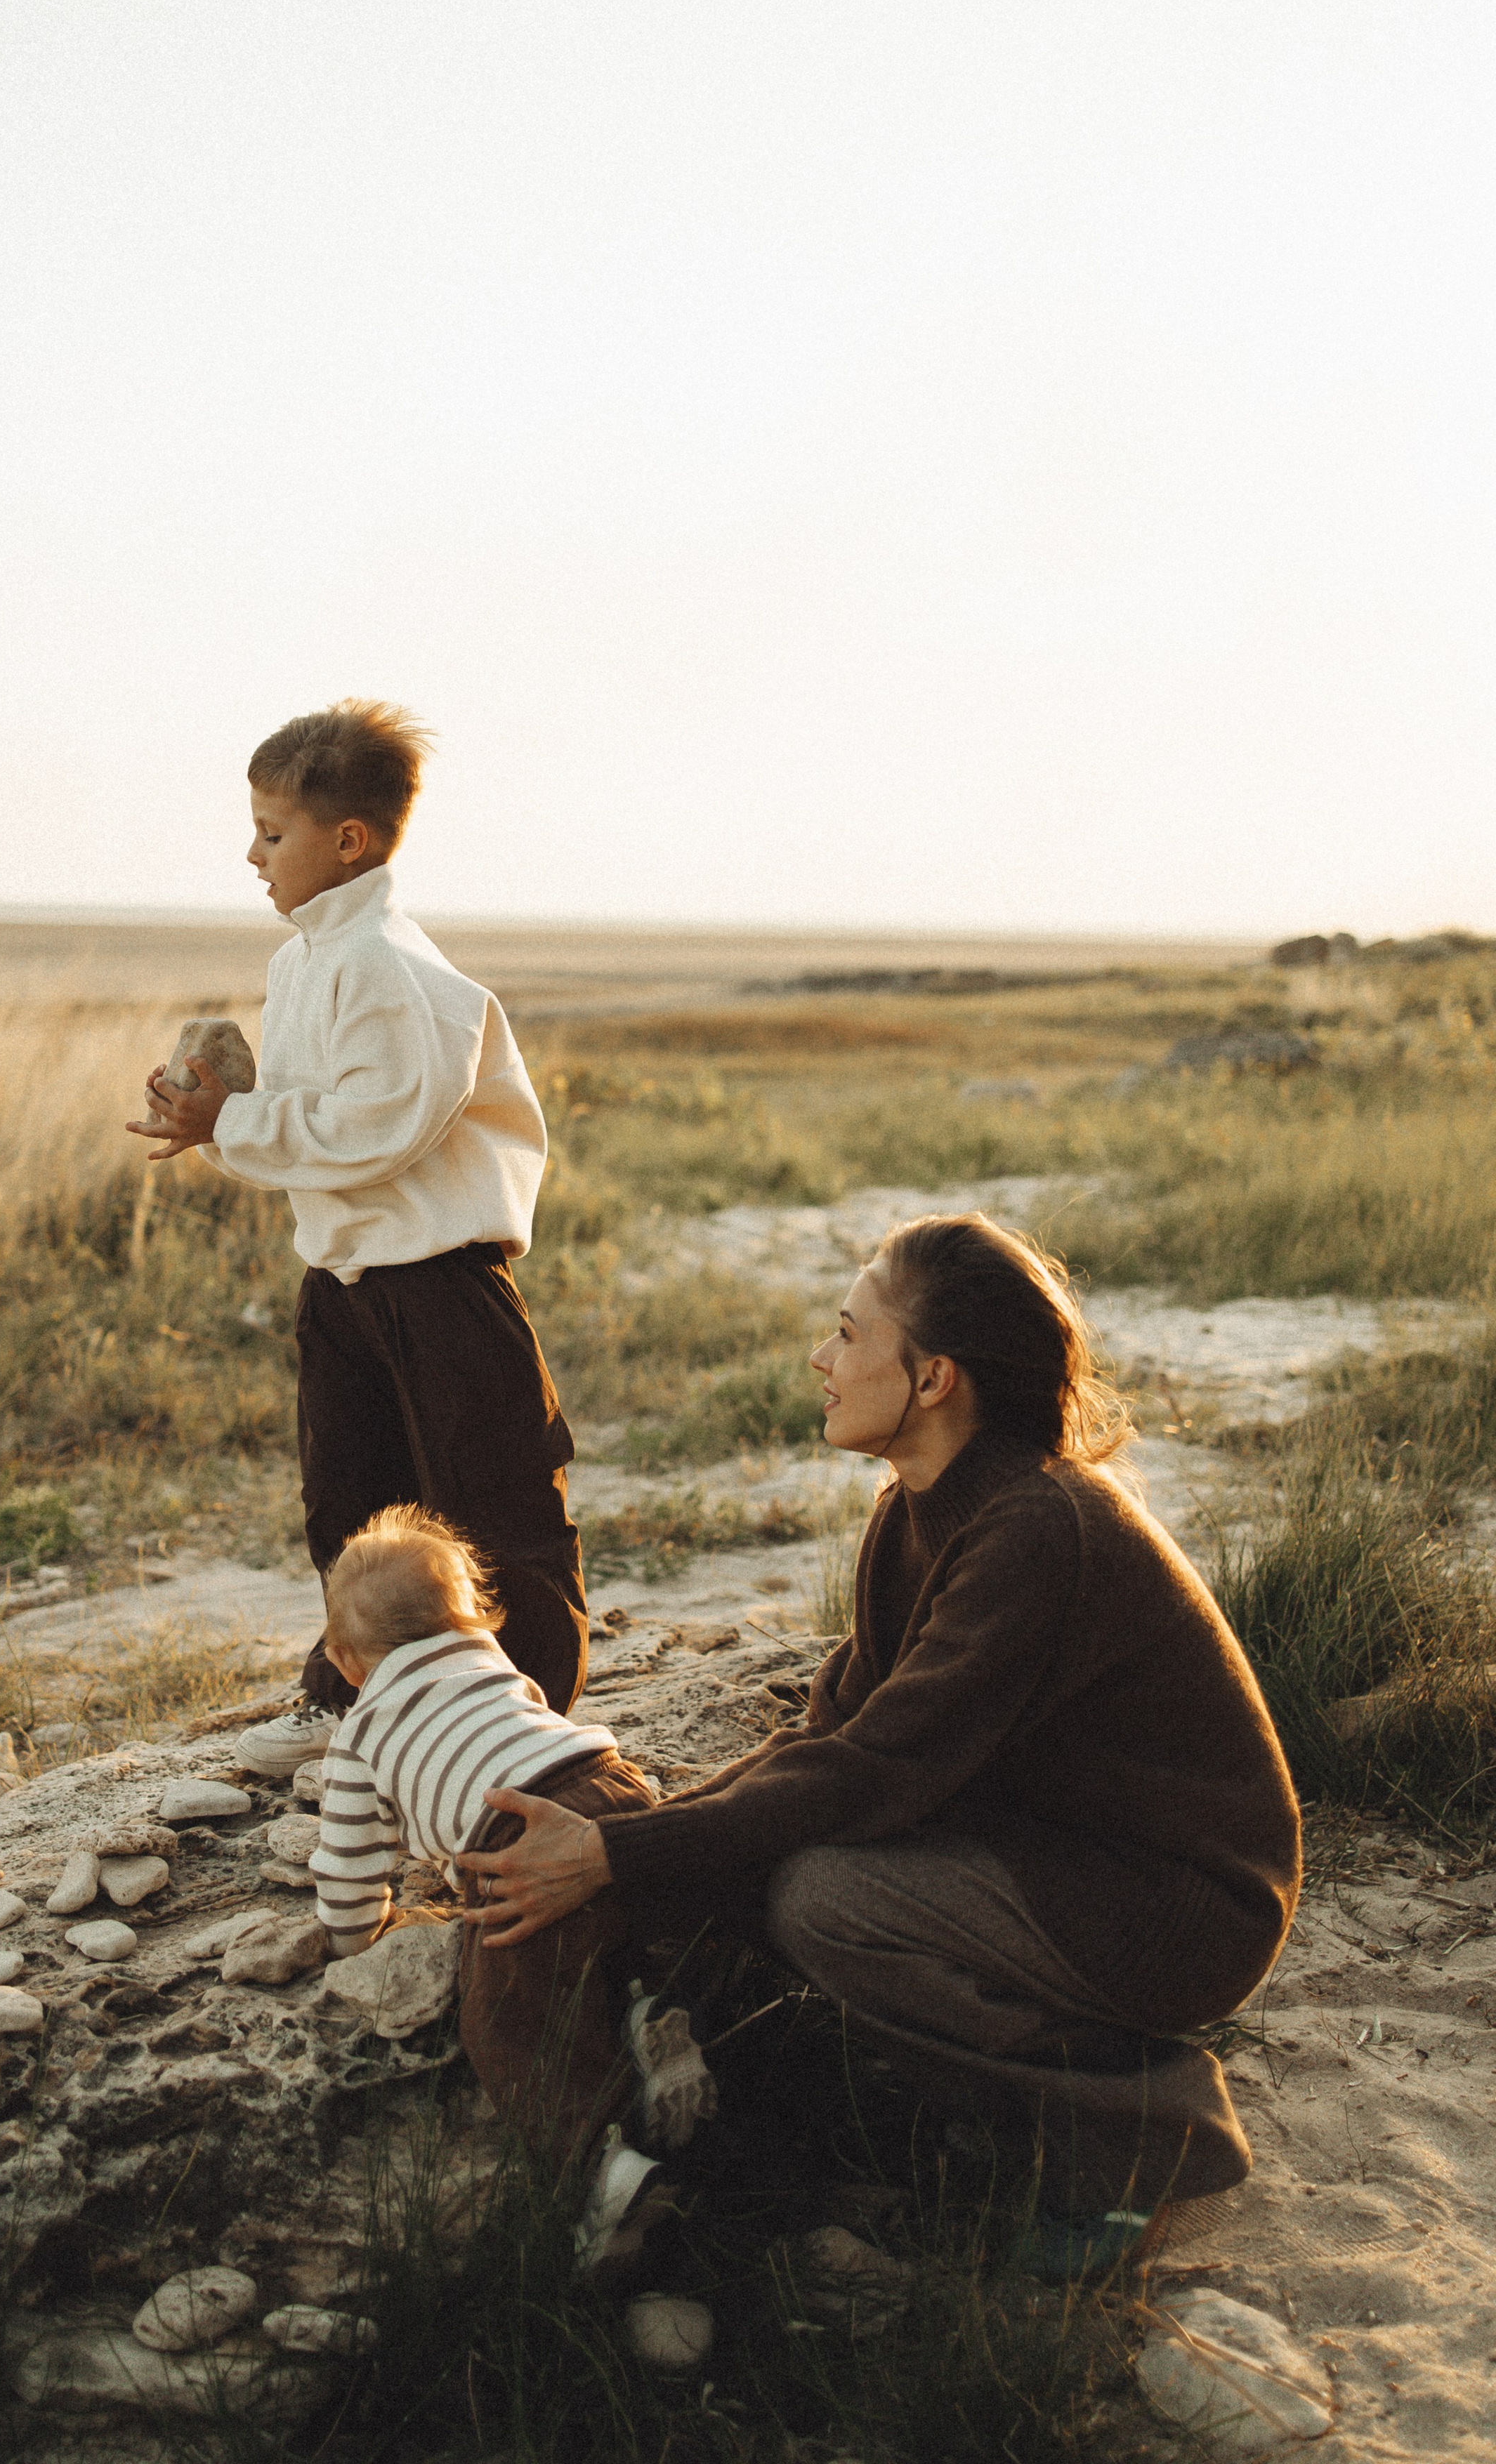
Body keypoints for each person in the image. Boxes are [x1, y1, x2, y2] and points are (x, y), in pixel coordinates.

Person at [457, 1214, 1303, 2276]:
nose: (822, 1358)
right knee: (765, 1873)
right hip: (1055, 1850)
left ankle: (1138, 2124)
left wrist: (621, 1855)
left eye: (849, 1334)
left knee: (823, 1902)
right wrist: (636, 1833)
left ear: (935, 1377)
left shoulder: (1038, 1532)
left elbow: (873, 1772)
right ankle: (1002, 2103)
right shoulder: (918, 1512)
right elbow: (831, 1736)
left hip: (1179, 1908)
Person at [126, 700, 587, 1760]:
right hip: (343, 1286)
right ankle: (364, 1701)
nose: (252, 854)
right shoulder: (303, 964)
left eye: (272, 832)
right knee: (352, 1507)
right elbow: (312, 1133)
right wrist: (216, 1121)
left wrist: (234, 1122)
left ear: (350, 840)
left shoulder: (395, 969)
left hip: (440, 1285)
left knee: (493, 1509)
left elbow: (372, 1131)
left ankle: (529, 1731)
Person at [309, 1503, 715, 2272]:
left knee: (506, 2018)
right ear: (471, 1618)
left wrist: (349, 1941)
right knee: (611, 1925)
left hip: (516, 1837)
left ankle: (600, 2171)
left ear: (342, 1659)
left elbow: (351, 1862)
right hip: (614, 1788)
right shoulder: (496, 1665)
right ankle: (651, 2015)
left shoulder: (356, 1733)